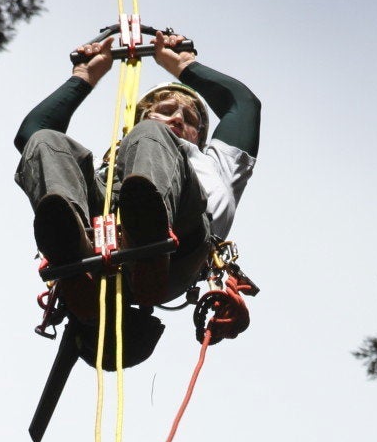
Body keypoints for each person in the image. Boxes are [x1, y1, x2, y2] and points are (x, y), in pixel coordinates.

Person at [14, 32, 261, 324]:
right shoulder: (107, 168)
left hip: (180, 249)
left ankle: (150, 242)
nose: (178, 119)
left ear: (200, 136)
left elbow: (244, 104)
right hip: (103, 234)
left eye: (190, 119)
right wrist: (83, 75)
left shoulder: (216, 165)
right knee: (46, 141)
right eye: (166, 111)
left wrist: (185, 64)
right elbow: (33, 133)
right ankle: (74, 257)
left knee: (153, 135)